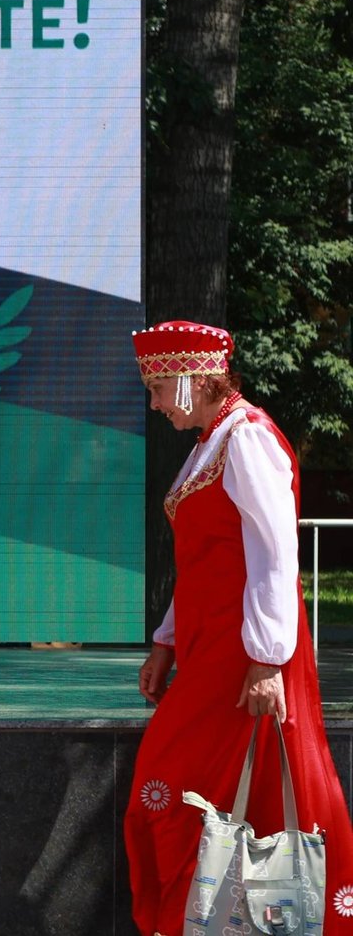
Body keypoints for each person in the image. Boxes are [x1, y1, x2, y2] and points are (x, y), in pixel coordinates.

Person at [124, 321, 353, 936]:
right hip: (212, 647)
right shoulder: (211, 441)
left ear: (189, 380)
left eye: (155, 386)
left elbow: (276, 552)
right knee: (193, 791)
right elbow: (202, 561)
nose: (151, 402)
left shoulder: (247, 438)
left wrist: (268, 658)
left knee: (168, 781)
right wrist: (165, 642)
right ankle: (208, 922)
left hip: (241, 651)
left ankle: (202, 921)